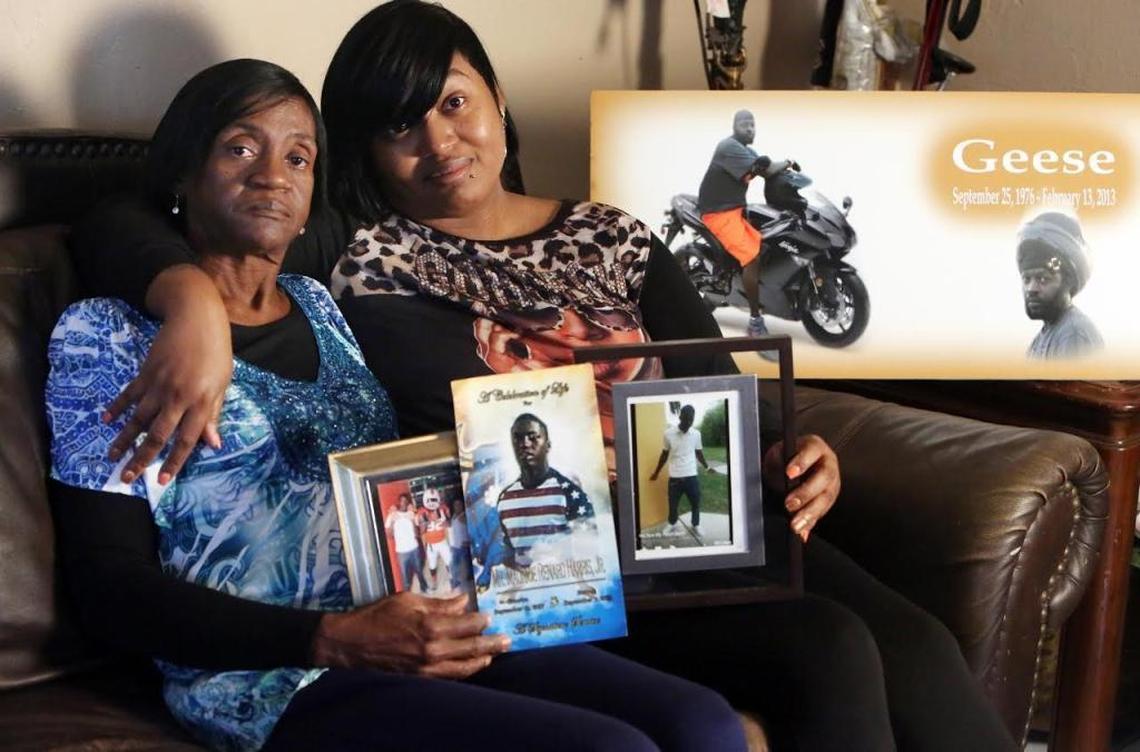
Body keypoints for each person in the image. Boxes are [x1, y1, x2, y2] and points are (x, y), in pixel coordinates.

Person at [70, 3, 1016, 750]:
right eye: (401, 126)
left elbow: (724, 394)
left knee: (921, 645)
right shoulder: (365, 262)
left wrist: (789, 453)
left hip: (696, 513)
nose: (441, 142)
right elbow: (117, 205)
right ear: (364, 158)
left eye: (454, 102)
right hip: (566, 553)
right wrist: (187, 294)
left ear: (497, 99)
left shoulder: (610, 232)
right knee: (831, 650)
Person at [48, 57, 750, 752]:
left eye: (299, 158)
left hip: (426, 628)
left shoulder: (323, 306)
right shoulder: (105, 338)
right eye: (239, 149)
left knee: (704, 722)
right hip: (273, 677)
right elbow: (108, 587)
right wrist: (332, 639)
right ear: (181, 176)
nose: (273, 176)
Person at [696, 109, 793, 338]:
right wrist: (789, 161)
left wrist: (787, 171)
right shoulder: (728, 147)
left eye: (752, 124)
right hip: (718, 213)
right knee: (752, 257)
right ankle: (755, 321)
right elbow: (768, 169)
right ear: (734, 127)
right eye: (745, 125)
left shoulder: (747, 152)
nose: (750, 128)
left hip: (735, 209)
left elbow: (767, 171)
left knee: (766, 242)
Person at [497, 413, 594, 566]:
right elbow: (509, 555)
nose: (525, 444)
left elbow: (590, 550)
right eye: (518, 438)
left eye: (533, 437)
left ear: (548, 445)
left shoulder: (569, 493)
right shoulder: (505, 499)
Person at [1017, 211, 1103, 359]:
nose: (1031, 289)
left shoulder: (1074, 333)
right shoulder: (1039, 341)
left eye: (1043, 279)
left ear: (1068, 281)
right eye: (1027, 279)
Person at [648, 404, 714, 537]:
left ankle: (696, 524)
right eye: (686, 419)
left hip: (691, 476)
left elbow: (698, 453)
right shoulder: (668, 434)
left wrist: (707, 467)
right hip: (675, 477)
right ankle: (672, 524)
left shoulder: (696, 434)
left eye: (691, 420)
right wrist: (656, 472)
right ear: (680, 417)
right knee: (673, 504)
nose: (688, 423)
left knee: (695, 503)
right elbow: (664, 454)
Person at [385, 491, 429, 592]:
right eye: (402, 501)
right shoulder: (392, 515)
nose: (404, 503)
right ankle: (406, 597)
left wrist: (413, 520)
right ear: (399, 502)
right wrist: (392, 522)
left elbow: (417, 533)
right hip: (401, 552)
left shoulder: (411, 514)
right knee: (405, 578)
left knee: (419, 571)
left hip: (414, 548)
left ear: (409, 503)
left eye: (406, 501)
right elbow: (389, 535)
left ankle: (424, 587)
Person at [416, 487, 452, 592]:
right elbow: (421, 531)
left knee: (449, 561)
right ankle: (434, 581)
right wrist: (426, 522)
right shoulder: (421, 513)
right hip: (431, 544)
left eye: (434, 500)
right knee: (432, 565)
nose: (431, 503)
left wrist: (446, 523)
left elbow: (450, 523)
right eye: (429, 500)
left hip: (442, 541)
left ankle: (452, 579)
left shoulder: (443, 509)